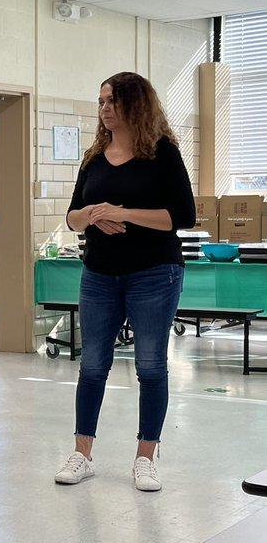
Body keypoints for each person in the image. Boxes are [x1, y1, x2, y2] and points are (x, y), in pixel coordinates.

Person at [55, 71, 195, 492]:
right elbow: (72, 217)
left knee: (151, 366)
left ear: (137, 105)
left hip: (154, 273)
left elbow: (182, 217)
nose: (104, 109)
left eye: (112, 101)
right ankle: (82, 453)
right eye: (100, 102)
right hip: (99, 274)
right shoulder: (94, 157)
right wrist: (94, 213)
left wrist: (125, 212)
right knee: (93, 364)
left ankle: (146, 456)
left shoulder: (163, 154)